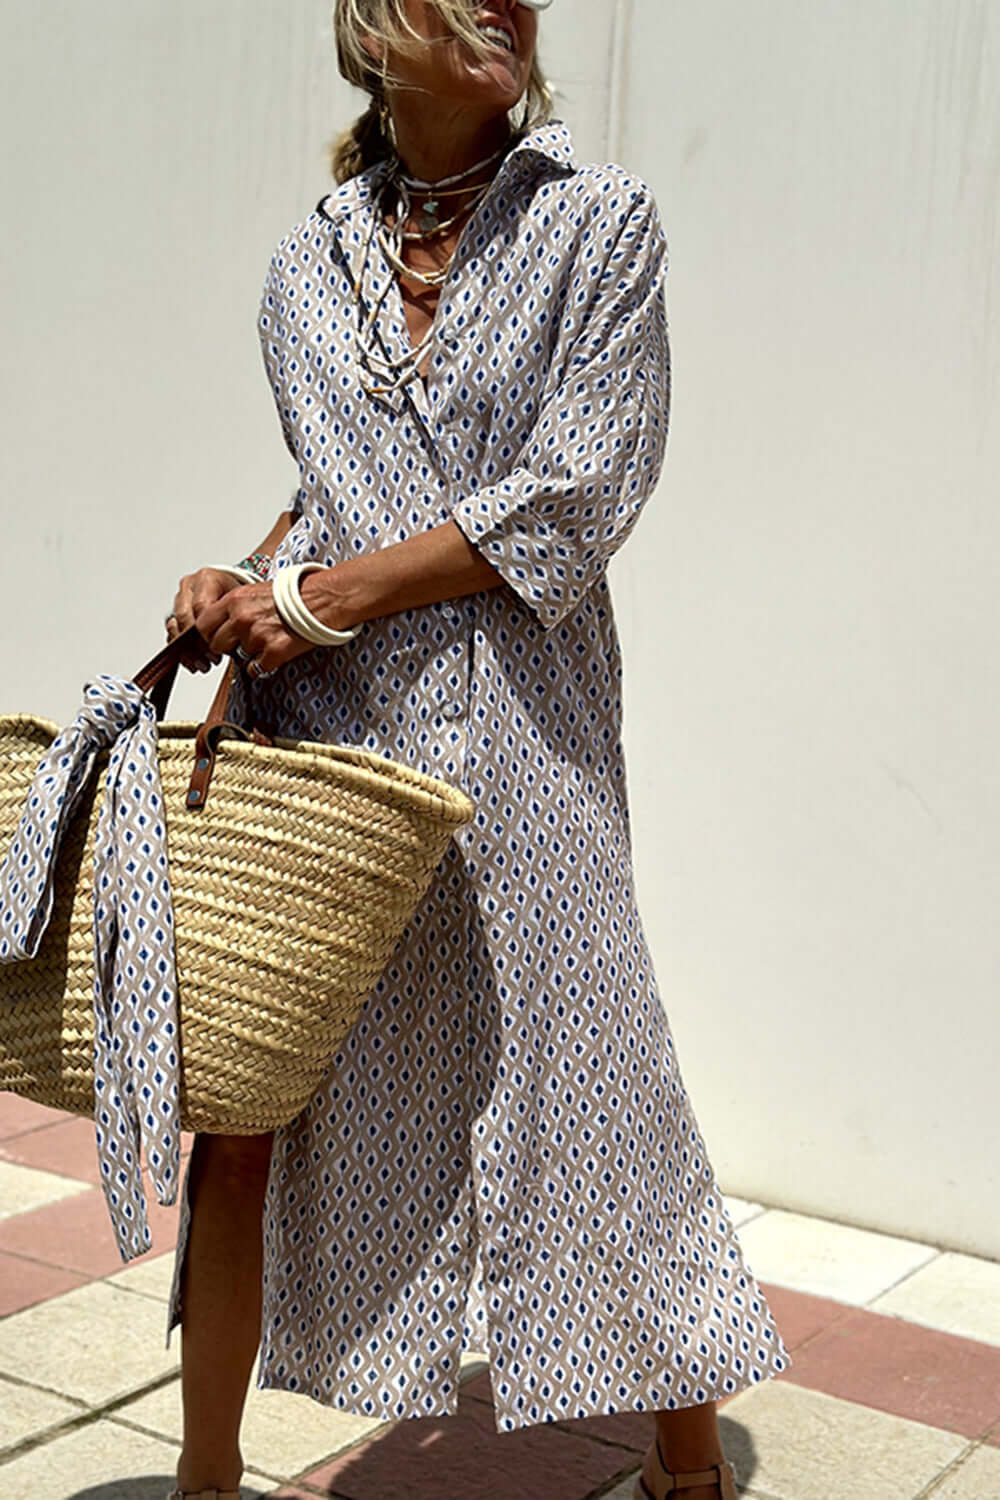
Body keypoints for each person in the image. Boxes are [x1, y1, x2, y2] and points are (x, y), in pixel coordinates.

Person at [164, 3, 789, 1497]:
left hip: (531, 731)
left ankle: (687, 1459)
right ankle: (202, 1478)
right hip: (338, 750)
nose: (510, 5)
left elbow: (579, 491)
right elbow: (337, 488)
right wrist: (243, 582)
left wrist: (322, 598)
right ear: (377, 29)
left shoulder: (600, 223)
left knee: (595, 1087)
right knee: (254, 1105)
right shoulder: (303, 265)